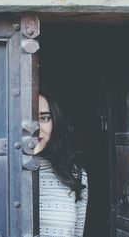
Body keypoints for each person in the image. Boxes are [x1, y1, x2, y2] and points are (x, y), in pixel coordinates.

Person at [35, 89, 88, 237]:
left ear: (55, 122)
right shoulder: (0, 173)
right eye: (29, 117)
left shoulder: (76, 175)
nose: (36, 127)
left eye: (44, 118)